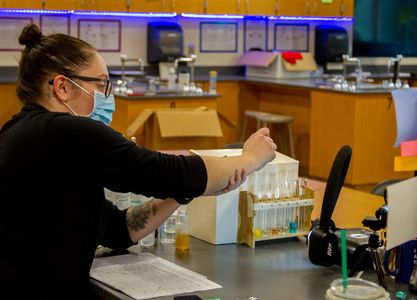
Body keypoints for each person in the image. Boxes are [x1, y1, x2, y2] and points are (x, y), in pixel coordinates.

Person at [0, 24, 277, 299]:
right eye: (100, 84)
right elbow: (164, 171)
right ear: (62, 86)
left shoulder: (23, 131)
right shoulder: (65, 131)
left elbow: (118, 229)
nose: (107, 97)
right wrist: (250, 158)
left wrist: (180, 193)